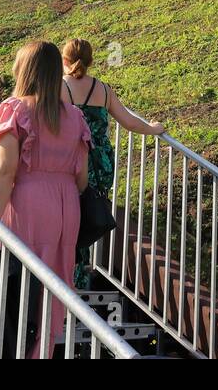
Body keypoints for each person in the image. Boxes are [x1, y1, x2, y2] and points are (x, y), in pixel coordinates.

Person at [0, 40, 91, 357]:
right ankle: (40, 351)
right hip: (66, 206)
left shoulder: (15, 109)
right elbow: (83, 178)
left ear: (25, 71)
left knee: (17, 286)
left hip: (28, 201)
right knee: (52, 290)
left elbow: (6, 172)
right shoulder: (75, 117)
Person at [60, 38, 164, 289]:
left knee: (70, 218)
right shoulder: (103, 89)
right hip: (101, 163)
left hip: (72, 160)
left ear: (64, 61)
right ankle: (80, 275)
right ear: (91, 60)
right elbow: (128, 122)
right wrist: (153, 129)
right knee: (87, 217)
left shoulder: (60, 88)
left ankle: (68, 277)